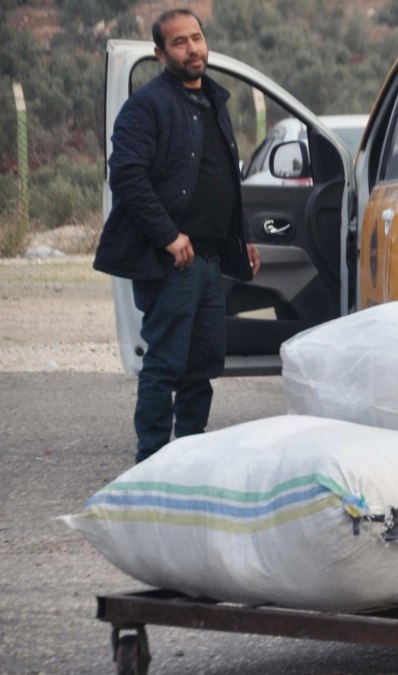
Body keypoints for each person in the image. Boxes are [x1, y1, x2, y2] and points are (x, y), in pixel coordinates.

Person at [94, 8, 260, 464]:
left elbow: (226, 179)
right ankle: (151, 460)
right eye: (180, 42)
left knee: (203, 365)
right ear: (160, 53)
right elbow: (126, 174)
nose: (193, 49)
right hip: (170, 260)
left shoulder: (214, 101)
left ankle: (188, 456)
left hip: (209, 259)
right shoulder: (147, 106)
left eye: (197, 38)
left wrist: (240, 239)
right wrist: (169, 235)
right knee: (166, 363)